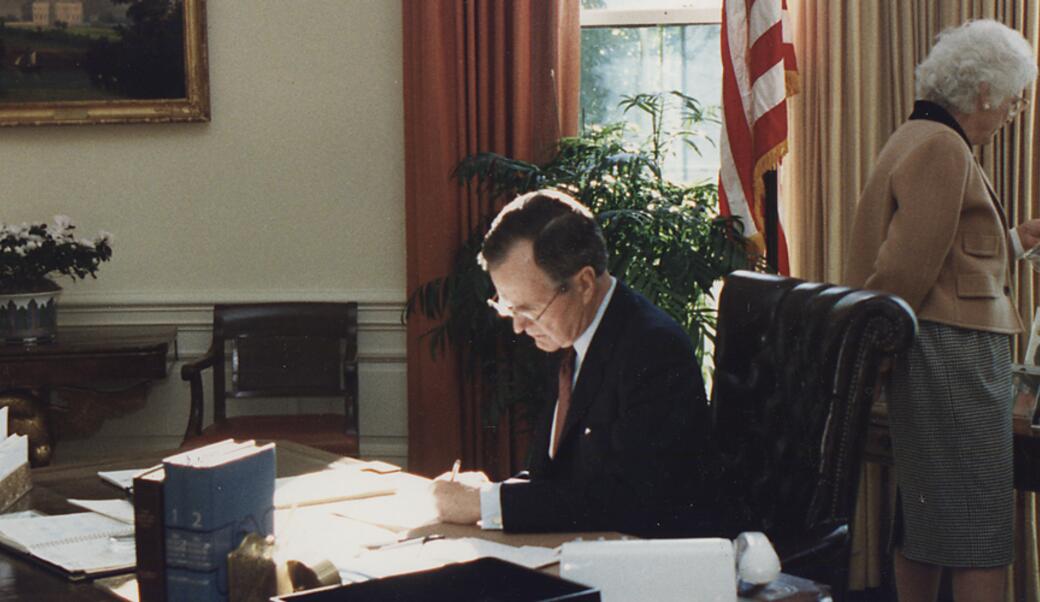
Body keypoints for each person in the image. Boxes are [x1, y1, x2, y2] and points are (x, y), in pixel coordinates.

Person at [844, 19, 1040, 602]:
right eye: (1013, 98)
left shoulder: (917, 135)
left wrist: (1014, 241)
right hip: (953, 354)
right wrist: (874, 350)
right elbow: (906, 269)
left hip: (937, 347)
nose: (1014, 112)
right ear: (982, 92)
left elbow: (943, 256)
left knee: (928, 517)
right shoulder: (943, 147)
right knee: (978, 524)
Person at [430, 189, 716, 536]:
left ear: (584, 283)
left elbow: (633, 501)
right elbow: (559, 479)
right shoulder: (569, 336)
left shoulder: (653, 349)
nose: (518, 327)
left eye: (529, 309)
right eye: (508, 307)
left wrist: (488, 503)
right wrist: (493, 494)